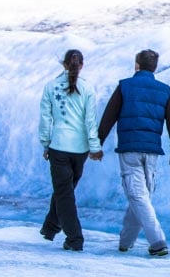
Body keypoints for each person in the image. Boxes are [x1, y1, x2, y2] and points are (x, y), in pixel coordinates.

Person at [97, 49, 170, 257]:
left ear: (136, 65)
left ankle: (158, 241)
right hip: (151, 152)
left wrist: (96, 144)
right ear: (155, 67)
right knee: (140, 196)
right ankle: (126, 242)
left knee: (138, 196)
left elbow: (109, 116)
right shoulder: (163, 91)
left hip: (129, 150)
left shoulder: (125, 86)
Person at [39, 49, 103, 251]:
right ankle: (50, 228)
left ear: (64, 65)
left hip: (58, 146)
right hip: (80, 149)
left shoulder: (50, 86)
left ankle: (74, 239)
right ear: (81, 65)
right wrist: (94, 147)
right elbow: (90, 121)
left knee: (64, 192)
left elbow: (45, 119)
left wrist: (45, 143)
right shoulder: (88, 88)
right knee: (65, 190)